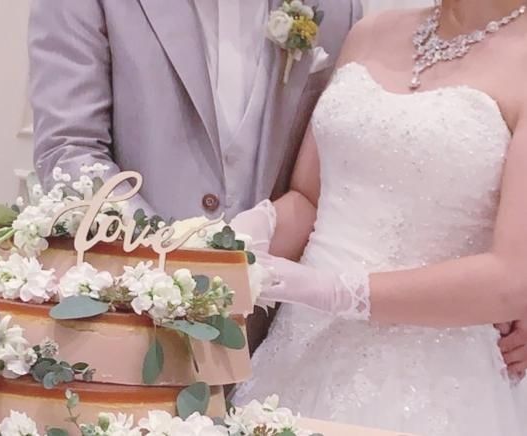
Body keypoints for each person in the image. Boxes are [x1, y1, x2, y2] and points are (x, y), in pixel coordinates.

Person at [229, 1, 527, 434]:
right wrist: (244, 236)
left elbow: (511, 279)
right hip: (298, 350)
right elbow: (311, 198)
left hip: (430, 379)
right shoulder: (369, 33)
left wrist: (339, 292)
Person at [26, 0, 361, 351]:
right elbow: (69, 151)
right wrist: (171, 262)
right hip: (131, 325)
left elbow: (333, 175)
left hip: (277, 337)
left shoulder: (340, 7)